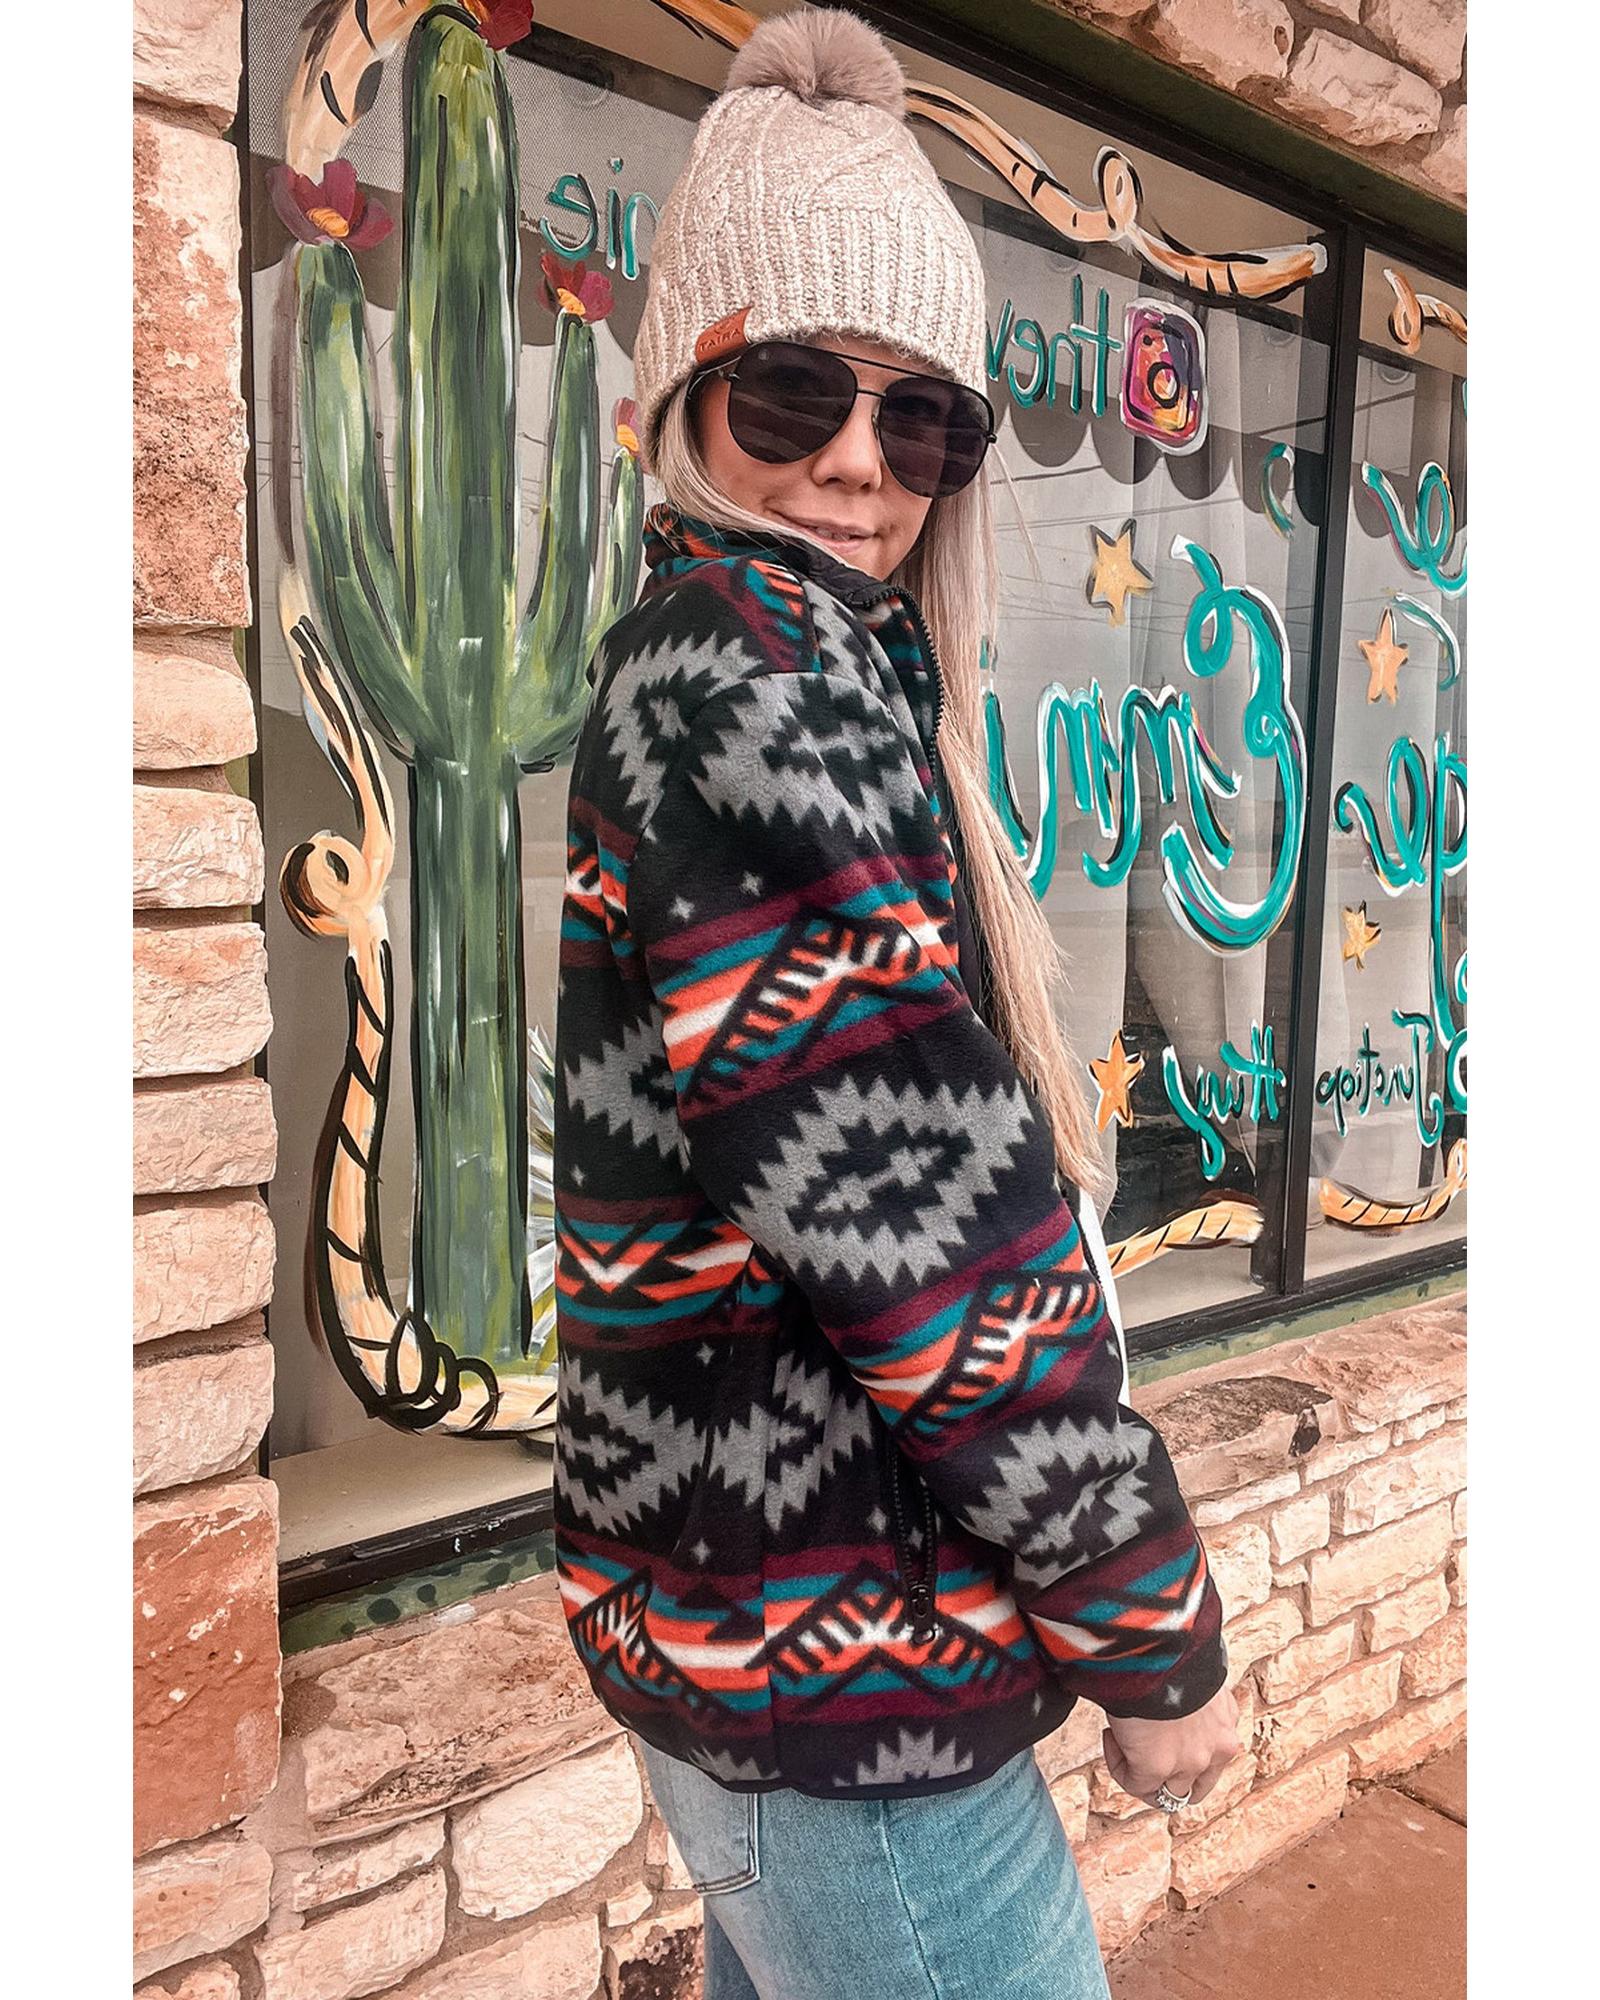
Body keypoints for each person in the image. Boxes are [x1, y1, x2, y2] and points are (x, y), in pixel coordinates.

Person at [552, 9, 1240, 1994]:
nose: (858, 463)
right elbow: (929, 1230)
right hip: (837, 1687)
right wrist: (1144, 1619)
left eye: (918, 420)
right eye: (791, 393)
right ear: (689, 398)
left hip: (769, 1640)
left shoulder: (761, 660)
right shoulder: (757, 678)